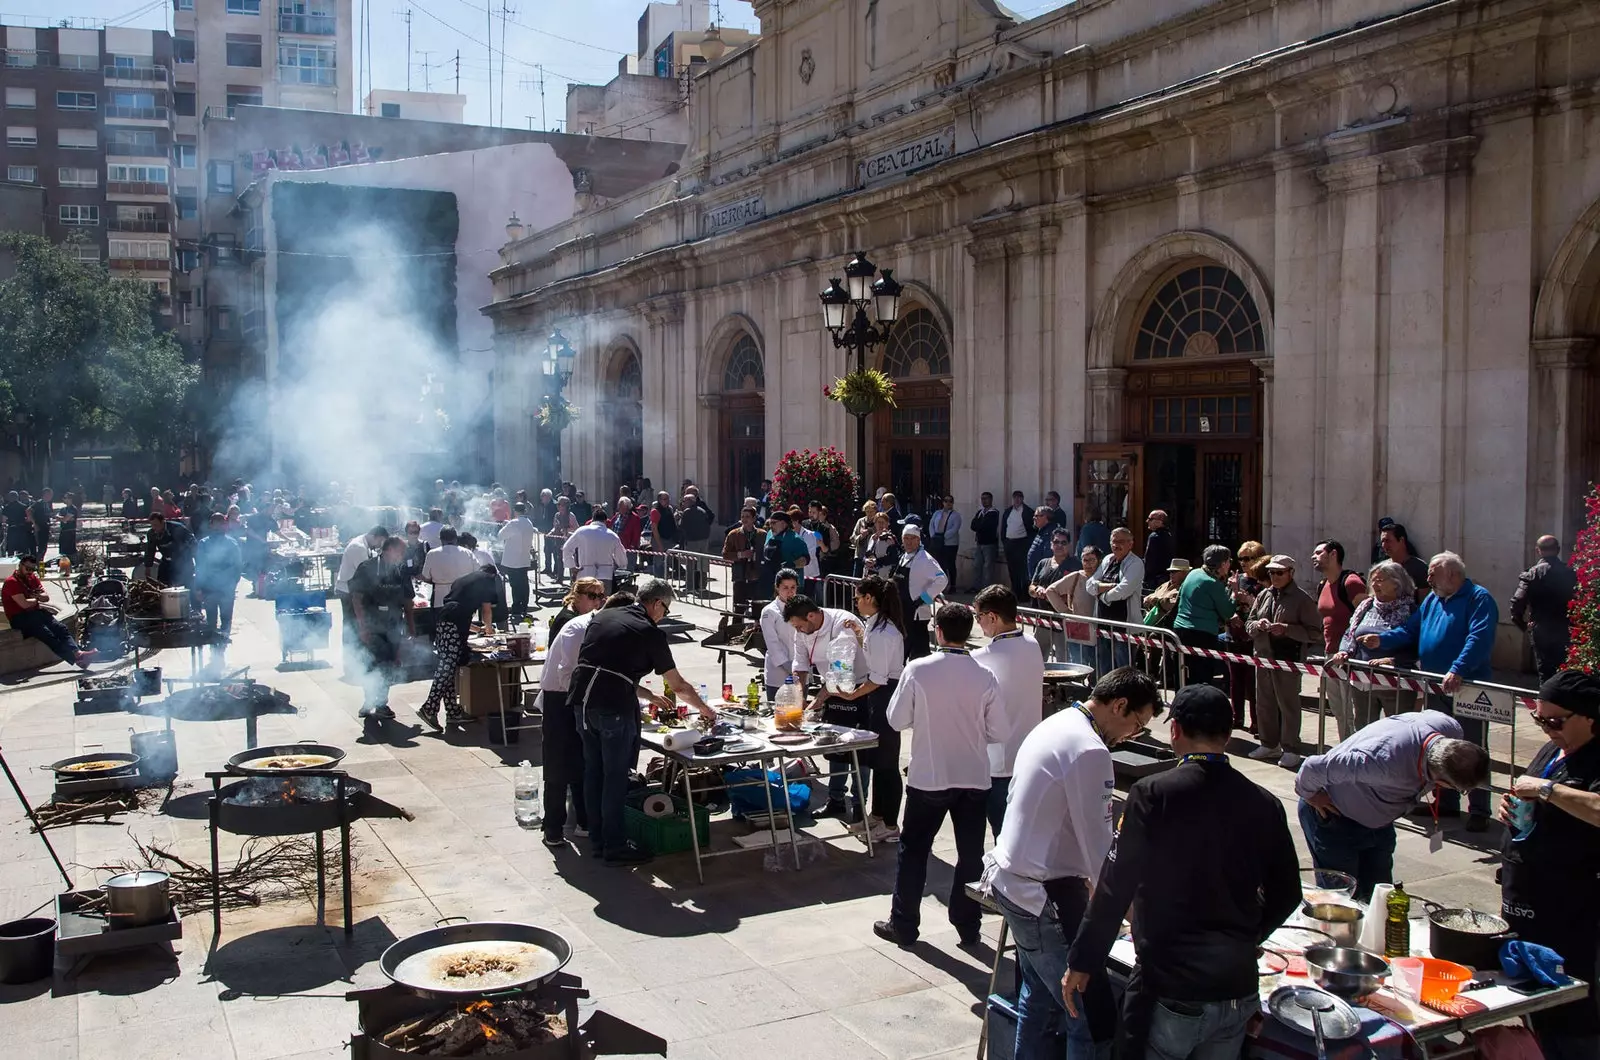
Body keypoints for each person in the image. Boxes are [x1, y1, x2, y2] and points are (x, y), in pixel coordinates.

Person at [1068, 686, 1301, 1060]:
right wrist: (1246, 935)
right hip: (1236, 988)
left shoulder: (1153, 793)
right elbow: (1288, 892)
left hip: (1172, 987)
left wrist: (1083, 960)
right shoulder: (1265, 803)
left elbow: (1115, 887)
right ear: (1227, 735)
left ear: (1174, 730)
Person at [982, 669, 1162, 1060]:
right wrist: (1132, 912)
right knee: (1089, 1015)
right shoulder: (1090, 750)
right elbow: (1100, 850)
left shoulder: (1058, 722)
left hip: (1015, 878)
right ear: (1118, 705)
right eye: (1137, 723)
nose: (1134, 734)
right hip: (1038, 893)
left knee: (1040, 998)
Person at [874, 604, 1004, 948]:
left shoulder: (918, 669)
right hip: (974, 777)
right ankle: (967, 924)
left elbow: (896, 719)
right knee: (970, 854)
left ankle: (903, 924)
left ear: (939, 631)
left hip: (930, 776)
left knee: (914, 851)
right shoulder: (984, 675)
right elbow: (999, 730)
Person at [571, 577, 714, 866]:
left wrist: (646, 694)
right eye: (666, 609)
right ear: (657, 603)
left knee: (594, 772)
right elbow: (678, 685)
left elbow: (606, 665)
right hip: (612, 706)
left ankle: (598, 838)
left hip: (582, 702)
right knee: (614, 777)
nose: (664, 616)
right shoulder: (649, 631)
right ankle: (614, 846)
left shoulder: (606, 615)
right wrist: (705, 709)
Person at [1497, 670, 1600, 1060]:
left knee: (1572, 1005)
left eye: (1554, 721)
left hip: (1574, 905)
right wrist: (1511, 807)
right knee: (1529, 993)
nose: (1546, 728)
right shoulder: (1553, 749)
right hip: (1527, 893)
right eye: (1540, 719)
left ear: (1589, 717)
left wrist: (1546, 789)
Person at [1361, 551, 1498, 829]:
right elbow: (1411, 632)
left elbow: (1479, 637)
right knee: (1441, 744)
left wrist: (1458, 667)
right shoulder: (1433, 599)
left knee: (1472, 747)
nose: (1428, 578)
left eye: (1433, 573)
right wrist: (1382, 640)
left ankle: (1480, 810)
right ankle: (1445, 801)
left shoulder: (1478, 598)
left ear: (1453, 574)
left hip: (1467, 686)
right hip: (1435, 683)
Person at [1295, 708, 1487, 901]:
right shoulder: (1382, 762)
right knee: (1340, 902)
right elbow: (1313, 768)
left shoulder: (1451, 730)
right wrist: (1311, 796)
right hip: (1336, 822)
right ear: (1441, 780)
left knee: (1379, 898)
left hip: (1380, 824)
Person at [807, 575, 906, 842]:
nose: (856, 602)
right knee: (878, 761)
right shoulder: (874, 626)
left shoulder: (885, 632)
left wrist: (853, 695)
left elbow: (879, 677)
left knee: (887, 764)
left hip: (885, 696)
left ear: (870, 599)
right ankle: (876, 816)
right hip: (877, 696)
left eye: (858, 597)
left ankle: (890, 824)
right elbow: (871, 651)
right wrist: (861, 632)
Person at [535, 579, 609, 847]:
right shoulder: (573, 624)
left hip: (573, 694)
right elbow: (567, 671)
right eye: (593, 595)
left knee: (580, 760)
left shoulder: (588, 622)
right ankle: (552, 826)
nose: (597, 600)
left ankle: (583, 820)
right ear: (578, 595)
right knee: (558, 764)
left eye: (601, 596)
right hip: (559, 696)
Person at [973, 585, 1046, 837]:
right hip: (1030, 755)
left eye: (978, 617)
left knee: (1002, 834)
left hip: (998, 763)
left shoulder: (981, 658)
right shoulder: (1033, 644)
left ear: (992, 617)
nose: (979, 624)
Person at [1245, 554, 1320, 768]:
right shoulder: (1263, 595)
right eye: (1271, 572)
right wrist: (1257, 625)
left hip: (1288, 659)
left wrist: (1287, 629)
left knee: (1288, 705)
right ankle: (1269, 744)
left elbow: (1315, 633)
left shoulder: (1302, 599)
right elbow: (1249, 622)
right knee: (1264, 703)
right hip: (1264, 657)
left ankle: (1291, 748)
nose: (1275, 576)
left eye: (1279, 572)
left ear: (1291, 573)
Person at [1327, 560, 1419, 726]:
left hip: (1394, 684)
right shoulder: (1366, 606)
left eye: (1381, 580)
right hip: (1362, 681)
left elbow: (1416, 643)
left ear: (1397, 584)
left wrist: (1392, 661)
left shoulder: (1409, 610)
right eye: (1373, 580)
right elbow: (1350, 632)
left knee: (1397, 732)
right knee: (1363, 730)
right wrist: (1344, 651)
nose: (1375, 584)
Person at [416, 562, 503, 730]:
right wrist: (490, 630)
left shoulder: (463, 580)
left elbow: (459, 608)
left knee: (450, 666)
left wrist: (478, 629)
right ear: (492, 574)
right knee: (447, 667)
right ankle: (429, 707)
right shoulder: (488, 579)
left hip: (444, 620)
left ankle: (453, 712)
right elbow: (486, 610)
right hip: (453, 623)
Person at [348, 536, 415, 720]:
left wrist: (410, 629)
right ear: (388, 550)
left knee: (388, 664)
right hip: (371, 623)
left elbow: (408, 602)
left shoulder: (401, 572)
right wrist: (362, 627)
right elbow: (356, 598)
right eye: (400, 552)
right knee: (370, 663)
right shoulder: (367, 567)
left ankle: (381, 703)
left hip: (393, 624)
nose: (402, 556)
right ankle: (368, 700)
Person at [1313, 539, 1370, 741]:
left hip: (1350, 657)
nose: (1314, 557)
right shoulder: (1323, 585)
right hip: (1330, 655)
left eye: (1319, 552)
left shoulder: (1351, 582)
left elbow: (1367, 617)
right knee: (1339, 711)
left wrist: (1351, 650)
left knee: (1353, 713)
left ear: (1334, 554)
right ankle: (1344, 750)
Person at [1, 555, 96, 667]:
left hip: (35, 613)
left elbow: (46, 597)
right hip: (20, 618)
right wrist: (37, 598)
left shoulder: (32, 578)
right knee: (47, 634)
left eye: (32, 569)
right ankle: (77, 659)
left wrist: (35, 598)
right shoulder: (11, 582)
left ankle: (78, 653)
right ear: (20, 566)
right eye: (27, 569)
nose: (30, 572)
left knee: (60, 627)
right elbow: (24, 604)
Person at [1511, 535, 1577, 683]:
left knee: (1545, 671)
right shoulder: (1571, 573)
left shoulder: (1532, 574)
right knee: (1565, 670)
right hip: (1565, 627)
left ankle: (1546, 704)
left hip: (1541, 628)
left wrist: (1522, 624)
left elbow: (1517, 603)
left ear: (1538, 551)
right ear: (1558, 550)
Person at [1173, 544, 1235, 689]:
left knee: (1182, 675)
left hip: (1180, 631)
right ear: (1224, 563)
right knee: (1200, 678)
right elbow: (1228, 612)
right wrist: (1234, 593)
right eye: (1229, 561)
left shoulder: (1193, 573)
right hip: (1201, 635)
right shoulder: (1212, 583)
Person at [1084, 528, 1144, 673]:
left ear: (1131, 544)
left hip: (1124, 627)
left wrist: (1102, 595)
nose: (1116, 545)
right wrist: (1105, 587)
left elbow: (1123, 590)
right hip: (1102, 624)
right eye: (1114, 541)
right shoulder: (1107, 560)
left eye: (1121, 542)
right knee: (1104, 667)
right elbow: (1090, 584)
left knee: (1124, 669)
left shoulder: (1135, 564)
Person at [894, 524, 948, 661]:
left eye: (912, 538)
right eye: (906, 538)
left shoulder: (925, 559)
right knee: (902, 652)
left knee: (919, 656)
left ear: (918, 540)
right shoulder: (904, 556)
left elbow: (942, 580)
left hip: (917, 614)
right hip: (903, 612)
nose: (908, 541)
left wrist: (924, 598)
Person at [1047, 545, 1103, 672]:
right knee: (1078, 666)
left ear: (1099, 561)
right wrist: (1066, 612)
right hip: (1078, 630)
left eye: (1092, 560)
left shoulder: (1103, 577)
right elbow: (1051, 590)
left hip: (1100, 632)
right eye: (1085, 560)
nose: (1088, 564)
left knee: (1098, 667)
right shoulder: (1076, 577)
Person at [194, 512, 243, 645]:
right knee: (225, 619)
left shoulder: (204, 543)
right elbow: (238, 566)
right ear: (225, 525)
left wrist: (198, 588)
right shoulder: (231, 543)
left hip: (213, 588)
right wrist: (233, 583)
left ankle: (215, 645)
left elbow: (199, 567)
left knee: (212, 619)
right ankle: (221, 644)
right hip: (221, 588)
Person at [336, 526, 388, 650]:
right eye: (381, 541)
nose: (380, 546)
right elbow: (368, 571)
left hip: (353, 588)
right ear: (374, 536)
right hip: (348, 591)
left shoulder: (365, 544)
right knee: (353, 623)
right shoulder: (358, 547)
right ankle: (352, 654)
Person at [758, 569, 803, 699]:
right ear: (777, 588)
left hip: (801, 672)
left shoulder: (802, 608)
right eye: (785, 588)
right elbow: (773, 645)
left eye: (793, 587)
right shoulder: (769, 612)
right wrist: (790, 667)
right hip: (778, 674)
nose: (790, 591)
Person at [722, 506, 767, 623]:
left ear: (754, 518)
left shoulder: (762, 534)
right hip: (740, 576)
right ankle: (735, 632)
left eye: (747, 517)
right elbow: (725, 554)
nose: (744, 519)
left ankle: (757, 633)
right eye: (742, 517)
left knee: (758, 608)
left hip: (756, 576)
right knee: (739, 608)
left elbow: (767, 553)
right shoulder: (734, 534)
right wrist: (741, 555)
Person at [563, 506, 628, 588]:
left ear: (592, 519)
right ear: (605, 521)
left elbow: (566, 548)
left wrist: (572, 566)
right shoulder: (612, 535)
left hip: (585, 574)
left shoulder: (581, 531)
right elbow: (621, 557)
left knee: (585, 599)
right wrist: (621, 565)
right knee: (603, 599)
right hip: (605, 575)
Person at [420, 526, 477, 608]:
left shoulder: (432, 554)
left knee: (441, 620)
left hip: (440, 598)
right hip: (463, 597)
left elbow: (425, 577)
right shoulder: (468, 553)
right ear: (455, 539)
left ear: (441, 539)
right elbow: (477, 573)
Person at [498, 502, 536, 619]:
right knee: (524, 584)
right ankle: (524, 607)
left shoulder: (514, 523)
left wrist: (505, 525)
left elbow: (501, 535)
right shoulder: (529, 523)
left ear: (515, 511)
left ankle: (516, 608)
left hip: (513, 559)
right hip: (524, 558)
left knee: (515, 585)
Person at [761, 511, 810, 593]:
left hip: (791, 586)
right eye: (770, 523)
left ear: (784, 524)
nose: (771, 526)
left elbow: (805, 559)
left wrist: (792, 565)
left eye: (773, 523)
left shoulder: (795, 539)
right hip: (772, 582)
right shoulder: (769, 534)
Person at [1380, 522, 1429, 601]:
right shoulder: (1382, 568)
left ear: (1401, 540)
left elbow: (1424, 602)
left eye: (1388, 540)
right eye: (1382, 541)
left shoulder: (1419, 568)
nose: (1384, 545)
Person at [144, 512, 194, 586]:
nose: (154, 528)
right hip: (166, 561)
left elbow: (192, 542)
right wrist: (148, 567)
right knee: (162, 585)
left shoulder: (177, 528)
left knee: (184, 585)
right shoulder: (152, 533)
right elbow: (150, 550)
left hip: (182, 561)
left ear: (163, 522)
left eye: (156, 525)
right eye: (152, 525)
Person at [1028, 529, 1075, 607]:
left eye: (1063, 543)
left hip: (1065, 615)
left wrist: (1053, 597)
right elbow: (1031, 588)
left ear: (1069, 545)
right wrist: (1037, 590)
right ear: (1051, 544)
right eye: (1056, 542)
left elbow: (1080, 593)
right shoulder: (1042, 563)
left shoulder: (1076, 565)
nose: (1059, 545)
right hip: (1042, 616)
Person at [1002, 491, 1035, 599]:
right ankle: (1015, 593)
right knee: (1012, 569)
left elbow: (1032, 529)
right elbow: (1003, 528)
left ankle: (1024, 594)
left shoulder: (1028, 511)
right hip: (1010, 543)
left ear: (1022, 499)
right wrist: (1005, 542)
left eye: (1019, 498)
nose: (1017, 500)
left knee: (1023, 570)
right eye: (1015, 498)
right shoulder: (1008, 511)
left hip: (1022, 544)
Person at [927, 495, 962, 581]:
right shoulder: (937, 513)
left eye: (950, 501)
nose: (948, 503)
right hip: (937, 541)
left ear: (953, 503)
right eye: (946, 501)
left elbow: (955, 528)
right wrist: (933, 535)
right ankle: (941, 583)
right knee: (939, 563)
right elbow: (931, 524)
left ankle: (952, 585)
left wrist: (944, 536)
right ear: (943, 502)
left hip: (950, 543)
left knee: (950, 564)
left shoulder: (956, 515)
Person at [971, 492, 1000, 592]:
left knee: (988, 567)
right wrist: (980, 525)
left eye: (986, 498)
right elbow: (973, 525)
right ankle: (976, 587)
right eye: (982, 498)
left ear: (991, 500)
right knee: (977, 565)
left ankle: (986, 589)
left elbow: (987, 527)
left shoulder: (994, 512)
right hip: (979, 542)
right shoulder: (980, 512)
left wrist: (979, 525)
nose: (984, 501)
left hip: (989, 543)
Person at [1140, 510, 1173, 593]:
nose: (1147, 521)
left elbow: (1149, 559)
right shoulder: (1169, 535)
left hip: (1154, 579)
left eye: (1150, 519)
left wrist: (1145, 577)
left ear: (1159, 522)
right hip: (1166, 576)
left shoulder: (1154, 537)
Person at [546, 495, 578, 578]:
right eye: (558, 504)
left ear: (566, 506)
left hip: (569, 541)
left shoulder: (571, 515)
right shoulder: (557, 515)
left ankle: (573, 578)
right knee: (559, 558)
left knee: (571, 559)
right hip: (559, 540)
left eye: (560, 504)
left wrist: (566, 530)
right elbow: (555, 526)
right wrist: (550, 533)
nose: (558, 506)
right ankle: (559, 578)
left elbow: (576, 528)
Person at [1023, 507, 1055, 587]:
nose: (1034, 518)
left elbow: (1048, 558)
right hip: (1036, 578)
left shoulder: (1050, 534)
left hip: (1043, 580)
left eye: (1037, 516)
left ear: (1046, 517)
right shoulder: (1041, 532)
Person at [29, 488, 52, 558]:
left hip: (46, 527)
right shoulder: (39, 503)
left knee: (44, 547)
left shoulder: (48, 504)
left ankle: (41, 563)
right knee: (41, 547)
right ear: (45, 494)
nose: (51, 496)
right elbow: (28, 510)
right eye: (49, 494)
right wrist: (34, 523)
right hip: (40, 527)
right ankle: (38, 564)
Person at [55, 492, 78, 560]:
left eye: (65, 498)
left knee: (71, 551)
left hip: (70, 532)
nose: (63, 499)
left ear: (70, 499)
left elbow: (65, 519)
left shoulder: (73, 509)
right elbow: (57, 517)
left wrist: (62, 518)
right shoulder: (63, 509)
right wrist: (63, 518)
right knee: (63, 551)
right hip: (63, 531)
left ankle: (73, 564)